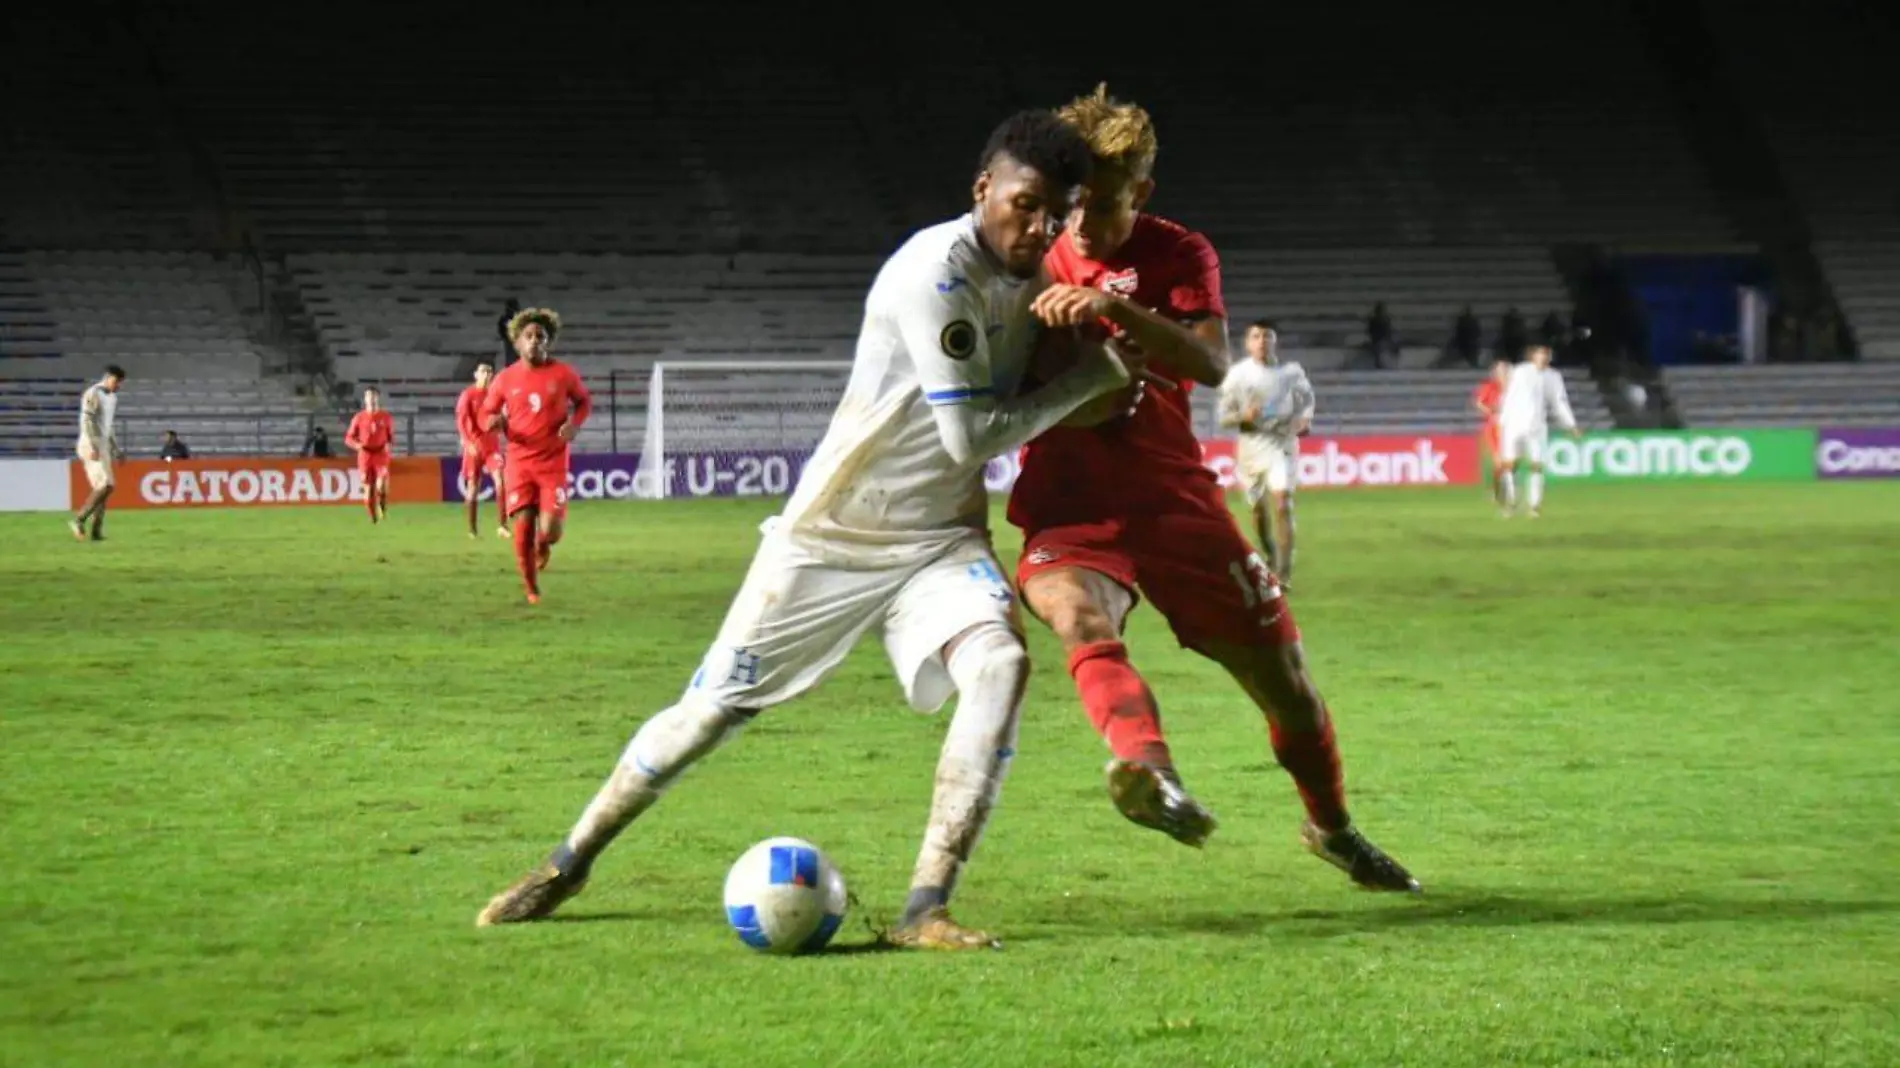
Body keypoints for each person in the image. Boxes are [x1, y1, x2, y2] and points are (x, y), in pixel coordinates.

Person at [476, 110, 1129, 949]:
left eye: (1056, 213)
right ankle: (569, 861)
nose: (1038, 227)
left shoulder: (1035, 275)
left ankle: (925, 906)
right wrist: (1091, 380)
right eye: (1025, 204)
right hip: (831, 537)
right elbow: (969, 437)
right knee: (708, 712)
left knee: (1001, 665)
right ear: (983, 190)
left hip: (937, 541)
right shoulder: (933, 274)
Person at [1009, 85, 1418, 891]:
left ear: (1144, 194)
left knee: (1287, 688)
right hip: (1070, 503)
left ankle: (1332, 828)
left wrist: (1111, 310)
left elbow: (1211, 365)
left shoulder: (1177, 253)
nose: (1084, 223)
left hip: (1175, 503)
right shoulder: (1026, 249)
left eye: (1108, 203)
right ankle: (1149, 773)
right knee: (1076, 612)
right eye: (1075, 201)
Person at [479, 309, 591, 603]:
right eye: (527, 336)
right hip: (519, 462)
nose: (533, 341)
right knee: (523, 527)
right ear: (517, 342)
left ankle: (545, 545)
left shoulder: (563, 374)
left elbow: (584, 401)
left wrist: (574, 424)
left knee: (551, 532)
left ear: (548, 341)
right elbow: (487, 412)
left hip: (553, 462)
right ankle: (531, 588)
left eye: (539, 336)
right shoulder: (505, 379)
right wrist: (493, 421)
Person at [1218, 320, 1314, 583]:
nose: (1262, 341)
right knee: (1259, 510)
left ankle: (1283, 573)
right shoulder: (1238, 375)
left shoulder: (1291, 373)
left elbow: (1307, 401)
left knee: (1283, 503)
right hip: (1252, 446)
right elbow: (1223, 418)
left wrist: (1305, 420)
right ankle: (1270, 551)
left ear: (1275, 341)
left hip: (1282, 444)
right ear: (1248, 344)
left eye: (1267, 336)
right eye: (1256, 336)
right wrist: (1243, 416)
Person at [1497, 345, 1580, 518]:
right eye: (1540, 354)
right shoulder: (1520, 372)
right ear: (1532, 356)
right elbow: (1508, 396)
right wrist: (1502, 420)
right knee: (1510, 465)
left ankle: (1534, 506)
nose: (1543, 358)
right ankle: (1511, 502)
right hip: (1514, 425)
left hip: (1537, 427)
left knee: (1536, 466)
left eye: (1546, 355)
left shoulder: (1553, 377)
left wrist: (1570, 424)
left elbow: (1559, 402)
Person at [69, 365, 126, 542]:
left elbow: (108, 426)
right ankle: (78, 520)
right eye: (116, 382)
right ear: (107, 378)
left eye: (120, 383)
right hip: (91, 443)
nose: (118, 386)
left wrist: (116, 448)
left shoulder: (112, 398)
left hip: (102, 444)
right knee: (107, 485)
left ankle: (95, 532)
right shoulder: (93, 393)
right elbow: (87, 420)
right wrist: (93, 445)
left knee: (103, 488)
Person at [455, 360, 509, 539]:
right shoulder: (468, 395)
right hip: (474, 447)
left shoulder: (494, 396)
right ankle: (472, 530)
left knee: (501, 481)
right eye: (483, 372)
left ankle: (502, 525)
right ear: (476, 375)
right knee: (473, 488)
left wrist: (503, 424)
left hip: (492, 446)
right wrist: (466, 441)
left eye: (489, 372)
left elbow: (501, 421)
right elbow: (461, 421)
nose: (486, 375)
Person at [343, 387, 395, 523]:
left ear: (378, 398)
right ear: (365, 399)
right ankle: (373, 519)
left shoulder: (386, 417)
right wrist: (357, 445)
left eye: (374, 396)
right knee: (368, 488)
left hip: (381, 454)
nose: (371, 399)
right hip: (365, 454)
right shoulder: (359, 418)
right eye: (368, 396)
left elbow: (390, 437)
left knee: (381, 486)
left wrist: (389, 444)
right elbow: (348, 438)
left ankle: (383, 508)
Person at [1471, 358, 1511, 509]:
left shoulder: (1514, 387)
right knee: (1499, 462)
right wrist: (1490, 411)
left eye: (1505, 370)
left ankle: (1502, 488)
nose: (1503, 373)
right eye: (1500, 370)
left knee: (1511, 461)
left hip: (1511, 428)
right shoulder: (1490, 386)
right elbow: (1479, 403)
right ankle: (1497, 489)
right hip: (1494, 428)